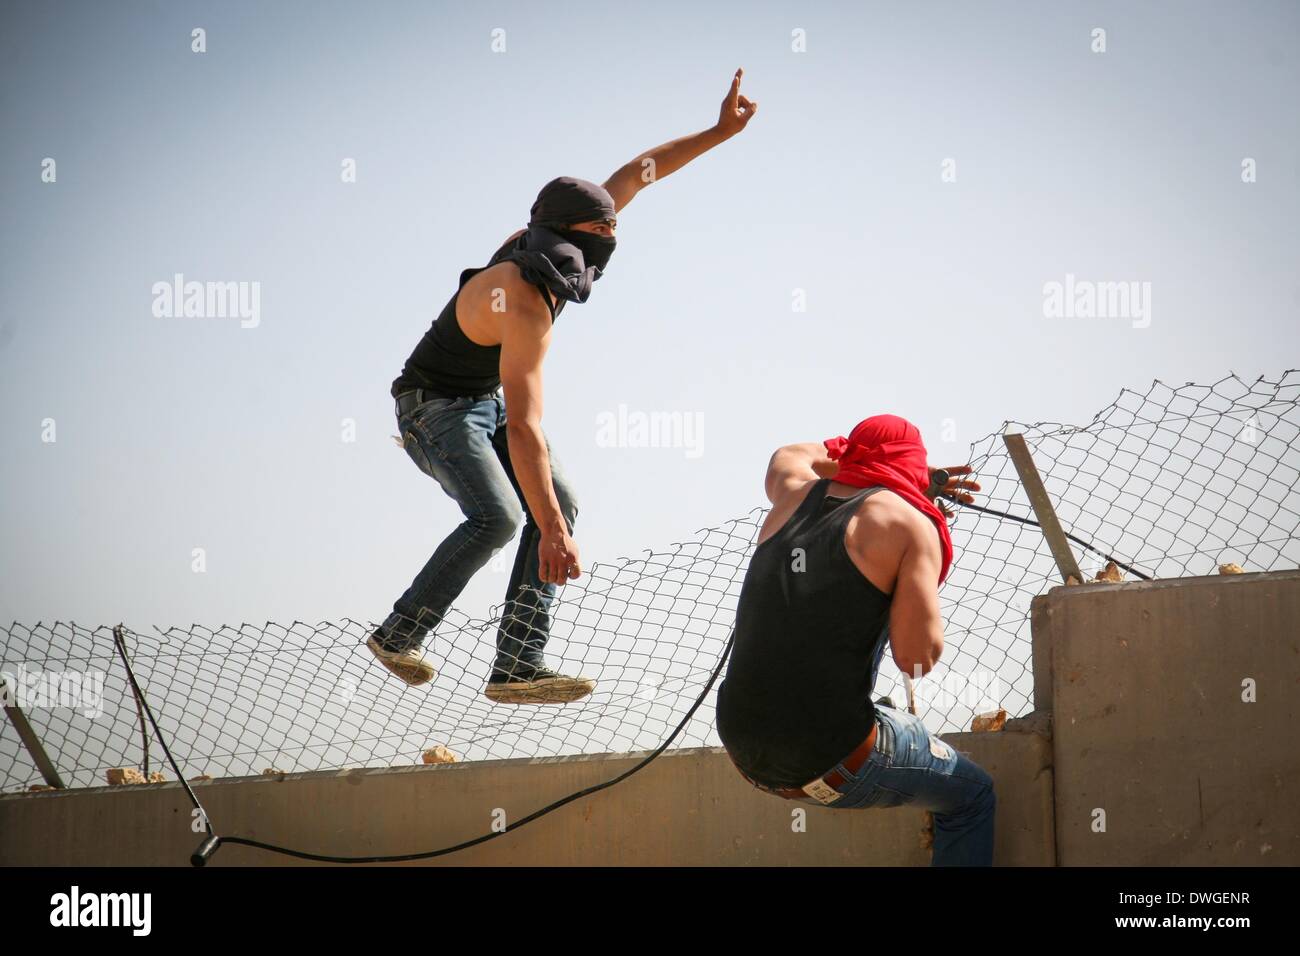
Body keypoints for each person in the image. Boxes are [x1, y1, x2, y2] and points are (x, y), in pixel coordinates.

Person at [370, 70, 759, 705]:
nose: (612, 240)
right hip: (431, 408)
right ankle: (400, 634)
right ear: (573, 238)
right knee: (500, 516)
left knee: (562, 500)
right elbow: (524, 427)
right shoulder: (524, 301)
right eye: (602, 235)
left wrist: (719, 131)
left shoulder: (561, 228)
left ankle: (517, 662)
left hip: (478, 402)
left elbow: (638, 172)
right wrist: (548, 531)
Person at [715, 414, 998, 865]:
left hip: (744, 753)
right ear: (916, 466)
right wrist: (909, 566)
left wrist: (863, 462)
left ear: (849, 455)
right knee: (973, 796)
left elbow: (789, 454)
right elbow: (916, 659)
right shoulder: (911, 527)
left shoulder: (791, 494)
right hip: (835, 763)